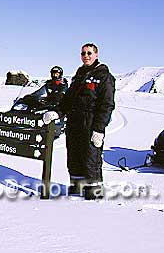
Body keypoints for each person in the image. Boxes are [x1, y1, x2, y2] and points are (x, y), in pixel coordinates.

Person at [44, 43, 115, 200]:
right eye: (83, 53)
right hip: (74, 123)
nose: (86, 56)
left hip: (90, 124)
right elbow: (68, 100)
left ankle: (93, 196)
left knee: (90, 159)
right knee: (74, 158)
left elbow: (107, 105)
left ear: (96, 55)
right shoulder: (79, 75)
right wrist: (57, 112)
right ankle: (76, 190)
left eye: (89, 53)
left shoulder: (104, 76)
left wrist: (99, 129)